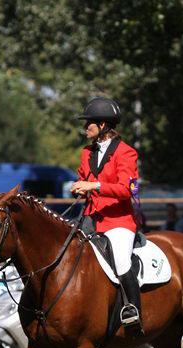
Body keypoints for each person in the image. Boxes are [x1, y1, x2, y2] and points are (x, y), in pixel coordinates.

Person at [70, 96, 142, 333]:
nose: (85, 127)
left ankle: (133, 310)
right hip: (90, 219)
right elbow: (83, 178)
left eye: (88, 123)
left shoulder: (126, 153)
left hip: (118, 221)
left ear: (102, 125)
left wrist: (94, 186)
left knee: (121, 261)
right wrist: (79, 186)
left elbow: (127, 190)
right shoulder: (86, 152)